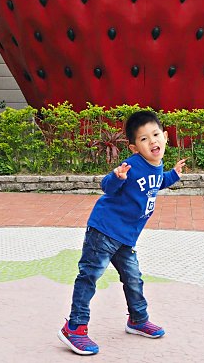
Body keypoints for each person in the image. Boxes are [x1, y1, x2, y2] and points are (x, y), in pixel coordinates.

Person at [58, 109, 187, 356]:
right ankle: (74, 327)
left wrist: (174, 175)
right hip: (104, 231)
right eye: (144, 139)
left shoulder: (155, 165)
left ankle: (138, 320)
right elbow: (107, 187)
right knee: (89, 276)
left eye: (156, 135)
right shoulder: (132, 165)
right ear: (134, 147)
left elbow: (157, 181)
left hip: (126, 238)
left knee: (133, 278)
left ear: (166, 137)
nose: (152, 141)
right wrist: (117, 177)